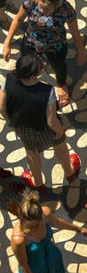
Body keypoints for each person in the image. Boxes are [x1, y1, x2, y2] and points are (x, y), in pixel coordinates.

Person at [0, 51, 80, 190]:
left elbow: (1, 106)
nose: (43, 64)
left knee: (31, 153)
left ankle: (38, 182)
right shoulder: (46, 91)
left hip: (24, 128)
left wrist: (14, 123)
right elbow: (51, 121)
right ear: (32, 75)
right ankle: (69, 173)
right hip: (46, 128)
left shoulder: (9, 79)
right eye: (40, 65)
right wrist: (60, 131)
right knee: (60, 146)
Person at [1, 0, 87, 108]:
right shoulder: (32, 1)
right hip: (31, 41)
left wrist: (81, 53)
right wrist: (7, 43)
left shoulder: (66, 9)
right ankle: (25, 83)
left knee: (59, 67)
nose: (42, 10)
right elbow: (18, 19)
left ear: (57, 4)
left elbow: (75, 34)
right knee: (27, 65)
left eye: (46, 9)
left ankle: (61, 84)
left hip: (55, 45)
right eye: (40, 6)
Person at [7, 187, 87, 273]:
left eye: (39, 221)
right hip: (36, 269)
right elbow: (24, 265)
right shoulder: (19, 239)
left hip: (52, 256)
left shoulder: (44, 214)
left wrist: (78, 229)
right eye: (32, 226)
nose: (37, 226)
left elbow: (58, 223)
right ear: (23, 219)